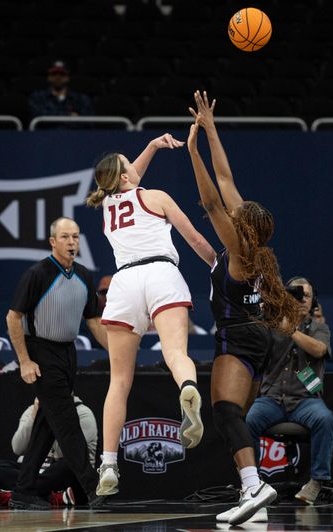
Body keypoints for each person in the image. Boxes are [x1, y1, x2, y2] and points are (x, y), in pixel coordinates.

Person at [187, 90, 301, 526]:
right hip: (257, 338)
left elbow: (212, 199)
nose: (232, 213)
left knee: (225, 412)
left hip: (238, 337)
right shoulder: (255, 243)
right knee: (236, 416)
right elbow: (227, 179)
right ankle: (249, 493)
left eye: (238, 216)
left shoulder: (238, 247)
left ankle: (254, 486)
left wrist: (193, 150)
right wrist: (212, 128)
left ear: (242, 226)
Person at [85, 134, 215, 497]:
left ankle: (108, 463)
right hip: (161, 274)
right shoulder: (157, 197)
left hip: (124, 283)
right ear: (125, 176)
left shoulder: (108, 206)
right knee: (175, 354)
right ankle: (187, 388)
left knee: (119, 381)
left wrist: (153, 147)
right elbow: (195, 240)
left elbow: (127, 179)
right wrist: (220, 265)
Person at [6, 216, 109, 510]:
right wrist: (25, 361)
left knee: (47, 425)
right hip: (41, 353)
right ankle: (93, 488)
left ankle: (23, 492)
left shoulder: (85, 275)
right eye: (65, 237)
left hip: (68, 352)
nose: (71, 242)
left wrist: (115, 352)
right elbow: (13, 317)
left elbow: (92, 320)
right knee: (66, 422)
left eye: (75, 237)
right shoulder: (37, 273)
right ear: (53, 241)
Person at [245, 277, 333, 509]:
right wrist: (263, 311)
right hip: (271, 399)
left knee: (325, 419)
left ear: (314, 300)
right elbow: (252, 343)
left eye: (307, 295)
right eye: (297, 294)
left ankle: (317, 481)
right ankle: (252, 483)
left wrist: (291, 331)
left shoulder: (319, 328)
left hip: (305, 400)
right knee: (249, 420)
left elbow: (319, 350)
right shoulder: (270, 324)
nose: (303, 299)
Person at [0, 396, 97, 507]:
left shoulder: (83, 414)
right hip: (34, 470)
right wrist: (35, 416)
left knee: (72, 466)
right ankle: (53, 497)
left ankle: (14, 495)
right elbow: (18, 448)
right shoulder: (31, 411)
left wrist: (55, 416)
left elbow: (68, 452)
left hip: (59, 474)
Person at [28, 60, 93, 119]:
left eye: (62, 74)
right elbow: (37, 118)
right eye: (54, 74)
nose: (58, 77)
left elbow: (89, 122)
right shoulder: (38, 98)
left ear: (67, 78)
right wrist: (68, 116)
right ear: (48, 77)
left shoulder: (81, 99)